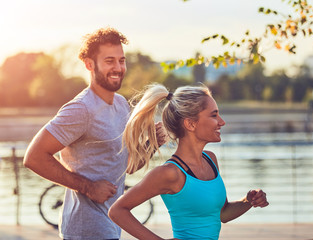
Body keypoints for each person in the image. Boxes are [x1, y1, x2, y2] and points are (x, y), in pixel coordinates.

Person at [23, 27, 166, 240]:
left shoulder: (120, 105)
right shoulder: (81, 109)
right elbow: (33, 157)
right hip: (85, 230)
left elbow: (122, 168)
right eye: (109, 61)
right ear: (90, 65)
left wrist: (150, 145)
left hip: (110, 227)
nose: (118, 68)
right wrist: (88, 187)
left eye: (121, 60)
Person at [108, 84, 269, 240]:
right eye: (214, 115)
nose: (222, 122)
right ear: (190, 124)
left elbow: (222, 214)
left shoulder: (210, 159)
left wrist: (248, 201)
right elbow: (117, 211)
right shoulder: (170, 173)